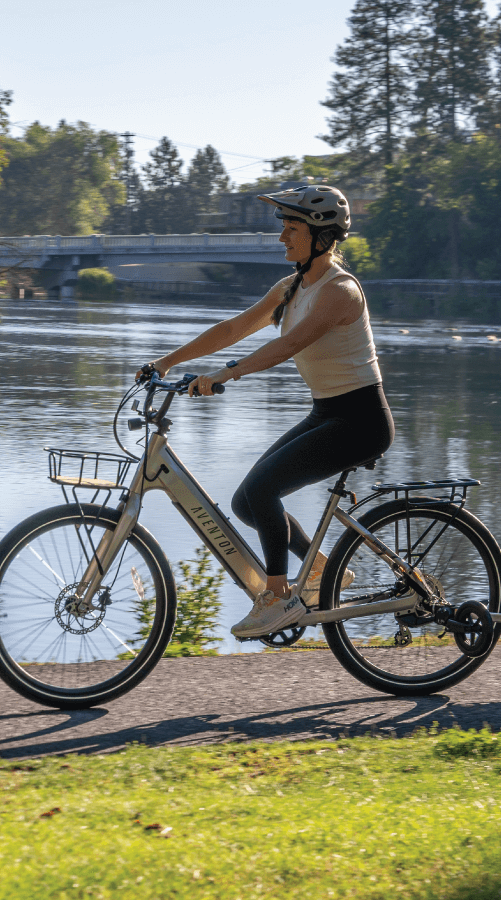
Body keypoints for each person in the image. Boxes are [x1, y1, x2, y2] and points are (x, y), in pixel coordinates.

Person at [141, 185, 395, 638]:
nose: (281, 237)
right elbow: (234, 328)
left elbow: (289, 344)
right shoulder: (292, 288)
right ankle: (318, 569)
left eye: (292, 228)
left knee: (262, 491)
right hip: (327, 412)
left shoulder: (340, 292)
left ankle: (278, 599)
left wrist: (225, 373)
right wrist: (166, 362)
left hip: (361, 421)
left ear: (321, 236)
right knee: (246, 502)